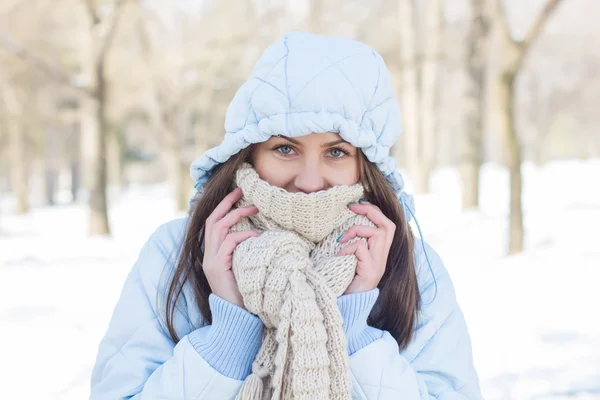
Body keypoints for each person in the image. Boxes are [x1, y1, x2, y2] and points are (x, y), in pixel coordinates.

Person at [90, 32, 483, 399]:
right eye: (284, 149)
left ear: (366, 165)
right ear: (249, 153)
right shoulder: (178, 251)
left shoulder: (409, 262)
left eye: (336, 152)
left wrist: (352, 328)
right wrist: (228, 334)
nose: (310, 181)